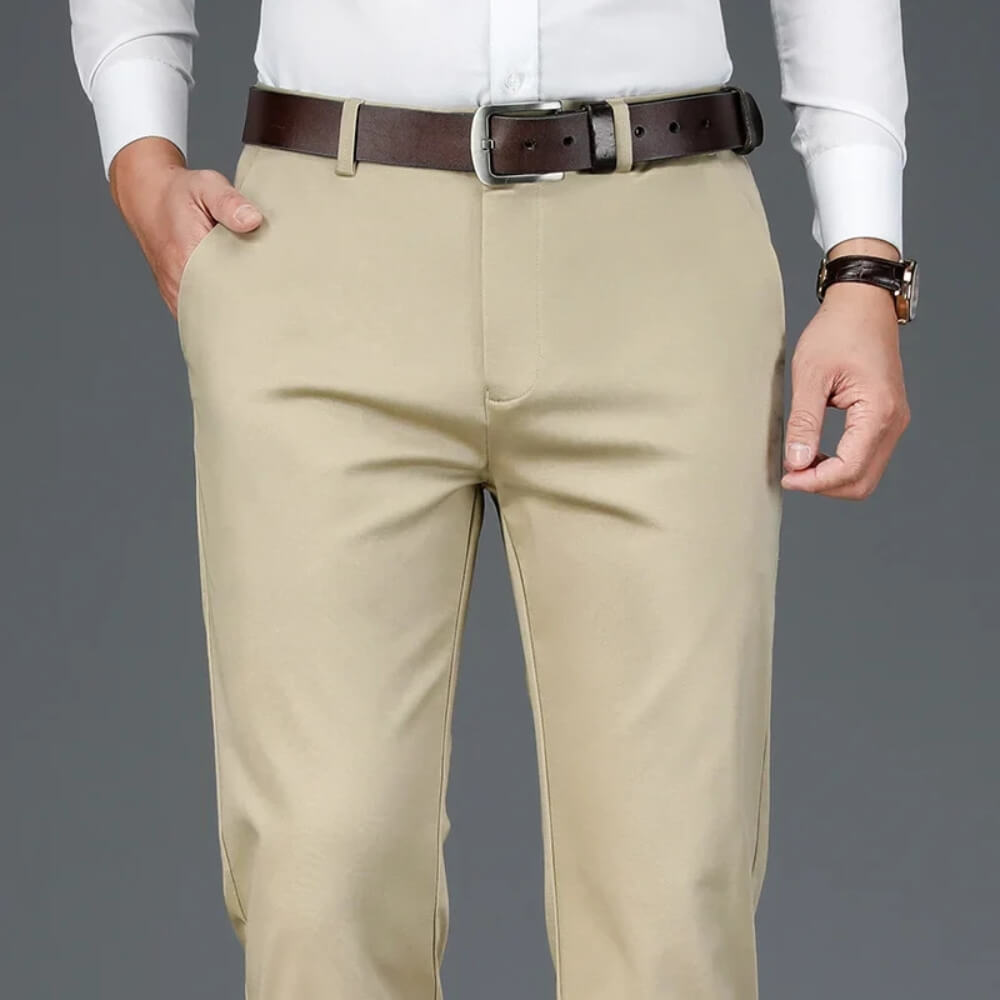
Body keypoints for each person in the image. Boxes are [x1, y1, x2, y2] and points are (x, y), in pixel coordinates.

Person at [69, 2, 916, 997]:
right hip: (324, 243)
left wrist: (866, 262)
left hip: (659, 256)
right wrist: (139, 150)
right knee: (319, 876)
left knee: (671, 894)